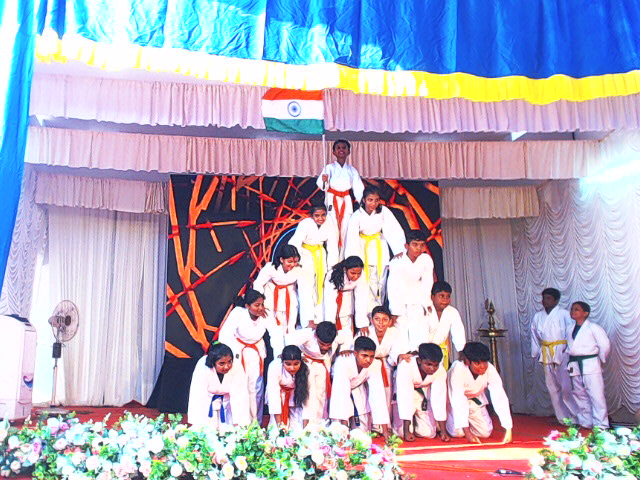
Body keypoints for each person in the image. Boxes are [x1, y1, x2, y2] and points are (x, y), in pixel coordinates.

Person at [217, 289, 283, 422]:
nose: (261, 308)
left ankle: (255, 423)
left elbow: (276, 334)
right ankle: (238, 422)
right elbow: (225, 334)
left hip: (256, 354)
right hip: (238, 353)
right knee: (240, 386)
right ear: (247, 306)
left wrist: (279, 354)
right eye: (257, 305)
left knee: (256, 389)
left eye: (262, 304)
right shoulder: (238, 313)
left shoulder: (266, 315)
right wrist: (228, 356)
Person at [344, 185, 406, 310]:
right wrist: (352, 261)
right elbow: (351, 239)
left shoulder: (383, 211)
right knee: (366, 283)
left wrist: (399, 249)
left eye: (376, 200)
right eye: (370, 200)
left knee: (381, 282)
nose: (373, 203)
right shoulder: (356, 216)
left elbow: (393, 229)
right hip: (363, 249)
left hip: (379, 248)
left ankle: (379, 311)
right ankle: (367, 314)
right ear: (364, 200)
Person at [447, 342, 513, 444]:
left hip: (474, 401)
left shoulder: (490, 369)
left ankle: (466, 423)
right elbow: (458, 399)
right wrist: (467, 433)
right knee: (458, 433)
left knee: (484, 433)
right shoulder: (457, 369)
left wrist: (508, 428)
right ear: (467, 361)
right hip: (453, 403)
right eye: (477, 363)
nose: (482, 367)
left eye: (485, 362)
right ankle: (446, 422)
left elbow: (499, 395)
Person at [530, 288, 578, 424]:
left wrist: (569, 350)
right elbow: (534, 335)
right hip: (546, 351)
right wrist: (535, 352)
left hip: (562, 351)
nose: (545, 301)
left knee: (566, 386)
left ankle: (575, 416)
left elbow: (571, 333)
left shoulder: (564, 314)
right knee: (552, 387)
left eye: (548, 298)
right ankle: (562, 418)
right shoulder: (538, 316)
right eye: (544, 298)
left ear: (556, 301)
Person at [394, 281, 465, 370]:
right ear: (432, 297)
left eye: (448, 297)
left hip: (438, 353)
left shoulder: (452, 312)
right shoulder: (423, 310)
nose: (445, 300)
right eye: (441, 296)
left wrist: (462, 352)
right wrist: (420, 353)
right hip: (419, 353)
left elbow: (458, 333)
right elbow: (418, 335)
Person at [288, 203, 339, 327]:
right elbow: (295, 242)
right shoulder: (305, 224)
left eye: (323, 215)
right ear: (311, 215)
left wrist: (333, 265)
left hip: (320, 256)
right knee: (306, 288)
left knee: (320, 287)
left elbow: (332, 245)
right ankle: (308, 321)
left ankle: (320, 319)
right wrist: (296, 260)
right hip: (305, 256)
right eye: (317, 215)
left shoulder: (329, 224)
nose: (320, 218)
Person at [329, 336, 391, 437]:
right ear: (355, 353)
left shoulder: (375, 364)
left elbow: (378, 394)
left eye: (371, 356)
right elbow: (341, 393)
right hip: (336, 391)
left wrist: (385, 431)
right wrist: (345, 430)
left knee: (363, 434)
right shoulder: (343, 362)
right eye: (364, 356)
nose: (368, 360)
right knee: (339, 432)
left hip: (356, 388)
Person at [285, 321, 344, 421]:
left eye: (328, 345)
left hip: (322, 365)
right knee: (309, 395)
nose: (325, 347)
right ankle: (307, 422)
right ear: (316, 336)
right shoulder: (309, 333)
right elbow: (289, 339)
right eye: (322, 344)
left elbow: (348, 336)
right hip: (306, 364)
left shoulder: (336, 335)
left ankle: (320, 423)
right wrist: (299, 356)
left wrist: (344, 349)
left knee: (321, 395)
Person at [566, 301, 611, 429]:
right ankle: (585, 421)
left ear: (585, 313)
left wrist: (599, 359)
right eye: (572, 309)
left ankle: (601, 424)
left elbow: (605, 345)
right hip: (575, 363)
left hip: (590, 363)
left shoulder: (594, 328)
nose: (573, 311)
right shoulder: (569, 328)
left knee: (596, 395)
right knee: (579, 394)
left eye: (577, 309)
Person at [187, 343, 250, 430]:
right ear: (213, 363)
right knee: (207, 431)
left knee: (231, 431)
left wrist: (239, 424)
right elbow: (198, 395)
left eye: (229, 362)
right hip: (207, 404)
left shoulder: (237, 366)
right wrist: (198, 423)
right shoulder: (202, 366)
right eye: (221, 363)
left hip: (229, 405)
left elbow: (240, 395)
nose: (226, 366)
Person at [393, 343, 449, 442]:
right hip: (403, 395)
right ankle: (407, 425)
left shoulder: (440, 371)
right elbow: (405, 396)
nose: (432, 368)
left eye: (435, 365)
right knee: (401, 433)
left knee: (429, 434)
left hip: (422, 395)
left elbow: (439, 398)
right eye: (428, 364)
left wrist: (443, 431)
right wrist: (406, 431)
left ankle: (416, 422)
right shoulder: (406, 366)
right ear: (419, 360)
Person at [316, 139, 365, 251]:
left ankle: (344, 258)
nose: (341, 150)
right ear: (334, 152)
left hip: (346, 200)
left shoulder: (352, 170)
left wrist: (363, 204)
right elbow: (322, 186)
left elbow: (358, 188)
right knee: (332, 229)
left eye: (344, 148)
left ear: (348, 151)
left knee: (346, 228)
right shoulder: (329, 168)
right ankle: (333, 260)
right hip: (332, 199)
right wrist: (324, 180)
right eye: (338, 148)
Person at [386, 229, 435, 335]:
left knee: (420, 334)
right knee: (402, 335)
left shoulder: (426, 259)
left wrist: (426, 303)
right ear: (407, 246)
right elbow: (393, 287)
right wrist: (394, 311)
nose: (418, 248)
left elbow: (427, 283)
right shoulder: (397, 261)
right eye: (415, 244)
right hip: (400, 302)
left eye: (422, 245)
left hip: (418, 300)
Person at [357, 305, 401, 414]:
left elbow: (395, 354)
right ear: (371, 320)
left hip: (386, 365)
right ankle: (369, 421)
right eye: (377, 319)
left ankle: (385, 421)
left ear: (390, 321)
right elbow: (357, 350)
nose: (381, 323)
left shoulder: (394, 332)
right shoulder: (365, 331)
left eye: (385, 320)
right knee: (367, 394)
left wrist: (398, 358)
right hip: (368, 365)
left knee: (387, 394)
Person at [254, 245, 305, 334]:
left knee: (290, 329)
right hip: (271, 300)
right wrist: (260, 304)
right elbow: (258, 283)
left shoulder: (299, 269)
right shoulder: (271, 267)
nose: (293, 265)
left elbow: (304, 289)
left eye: (295, 261)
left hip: (290, 301)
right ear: (281, 259)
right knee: (275, 331)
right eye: (289, 261)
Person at [323, 256, 369, 338]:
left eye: (359, 273)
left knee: (348, 331)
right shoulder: (333, 274)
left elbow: (362, 299)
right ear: (345, 269)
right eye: (353, 273)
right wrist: (330, 323)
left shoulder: (362, 274)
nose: (356, 276)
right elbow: (329, 300)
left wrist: (362, 323)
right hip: (335, 300)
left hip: (349, 302)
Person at [266, 345, 311, 430]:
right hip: (280, 398)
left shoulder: (307, 368)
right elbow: (274, 396)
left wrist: (306, 429)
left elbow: (309, 399)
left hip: (297, 397)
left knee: (300, 430)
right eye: (288, 364)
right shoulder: (274, 367)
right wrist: (280, 426)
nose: (292, 368)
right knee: (276, 430)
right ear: (282, 361)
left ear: (301, 361)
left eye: (296, 364)